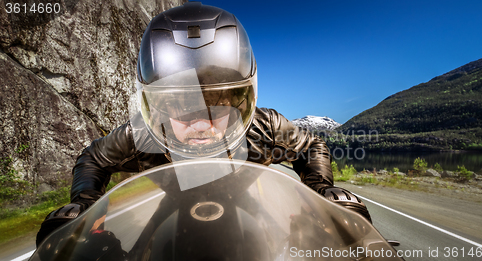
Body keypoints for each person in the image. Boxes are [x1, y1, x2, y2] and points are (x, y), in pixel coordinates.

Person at [36, 2, 371, 248]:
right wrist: (83, 209)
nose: (199, 123)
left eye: (217, 105)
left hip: (248, 199)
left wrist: (321, 195)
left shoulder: (264, 125)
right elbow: (94, 158)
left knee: (296, 242)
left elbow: (312, 146)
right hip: (171, 203)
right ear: (158, 109)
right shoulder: (143, 134)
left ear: (242, 102)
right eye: (180, 106)